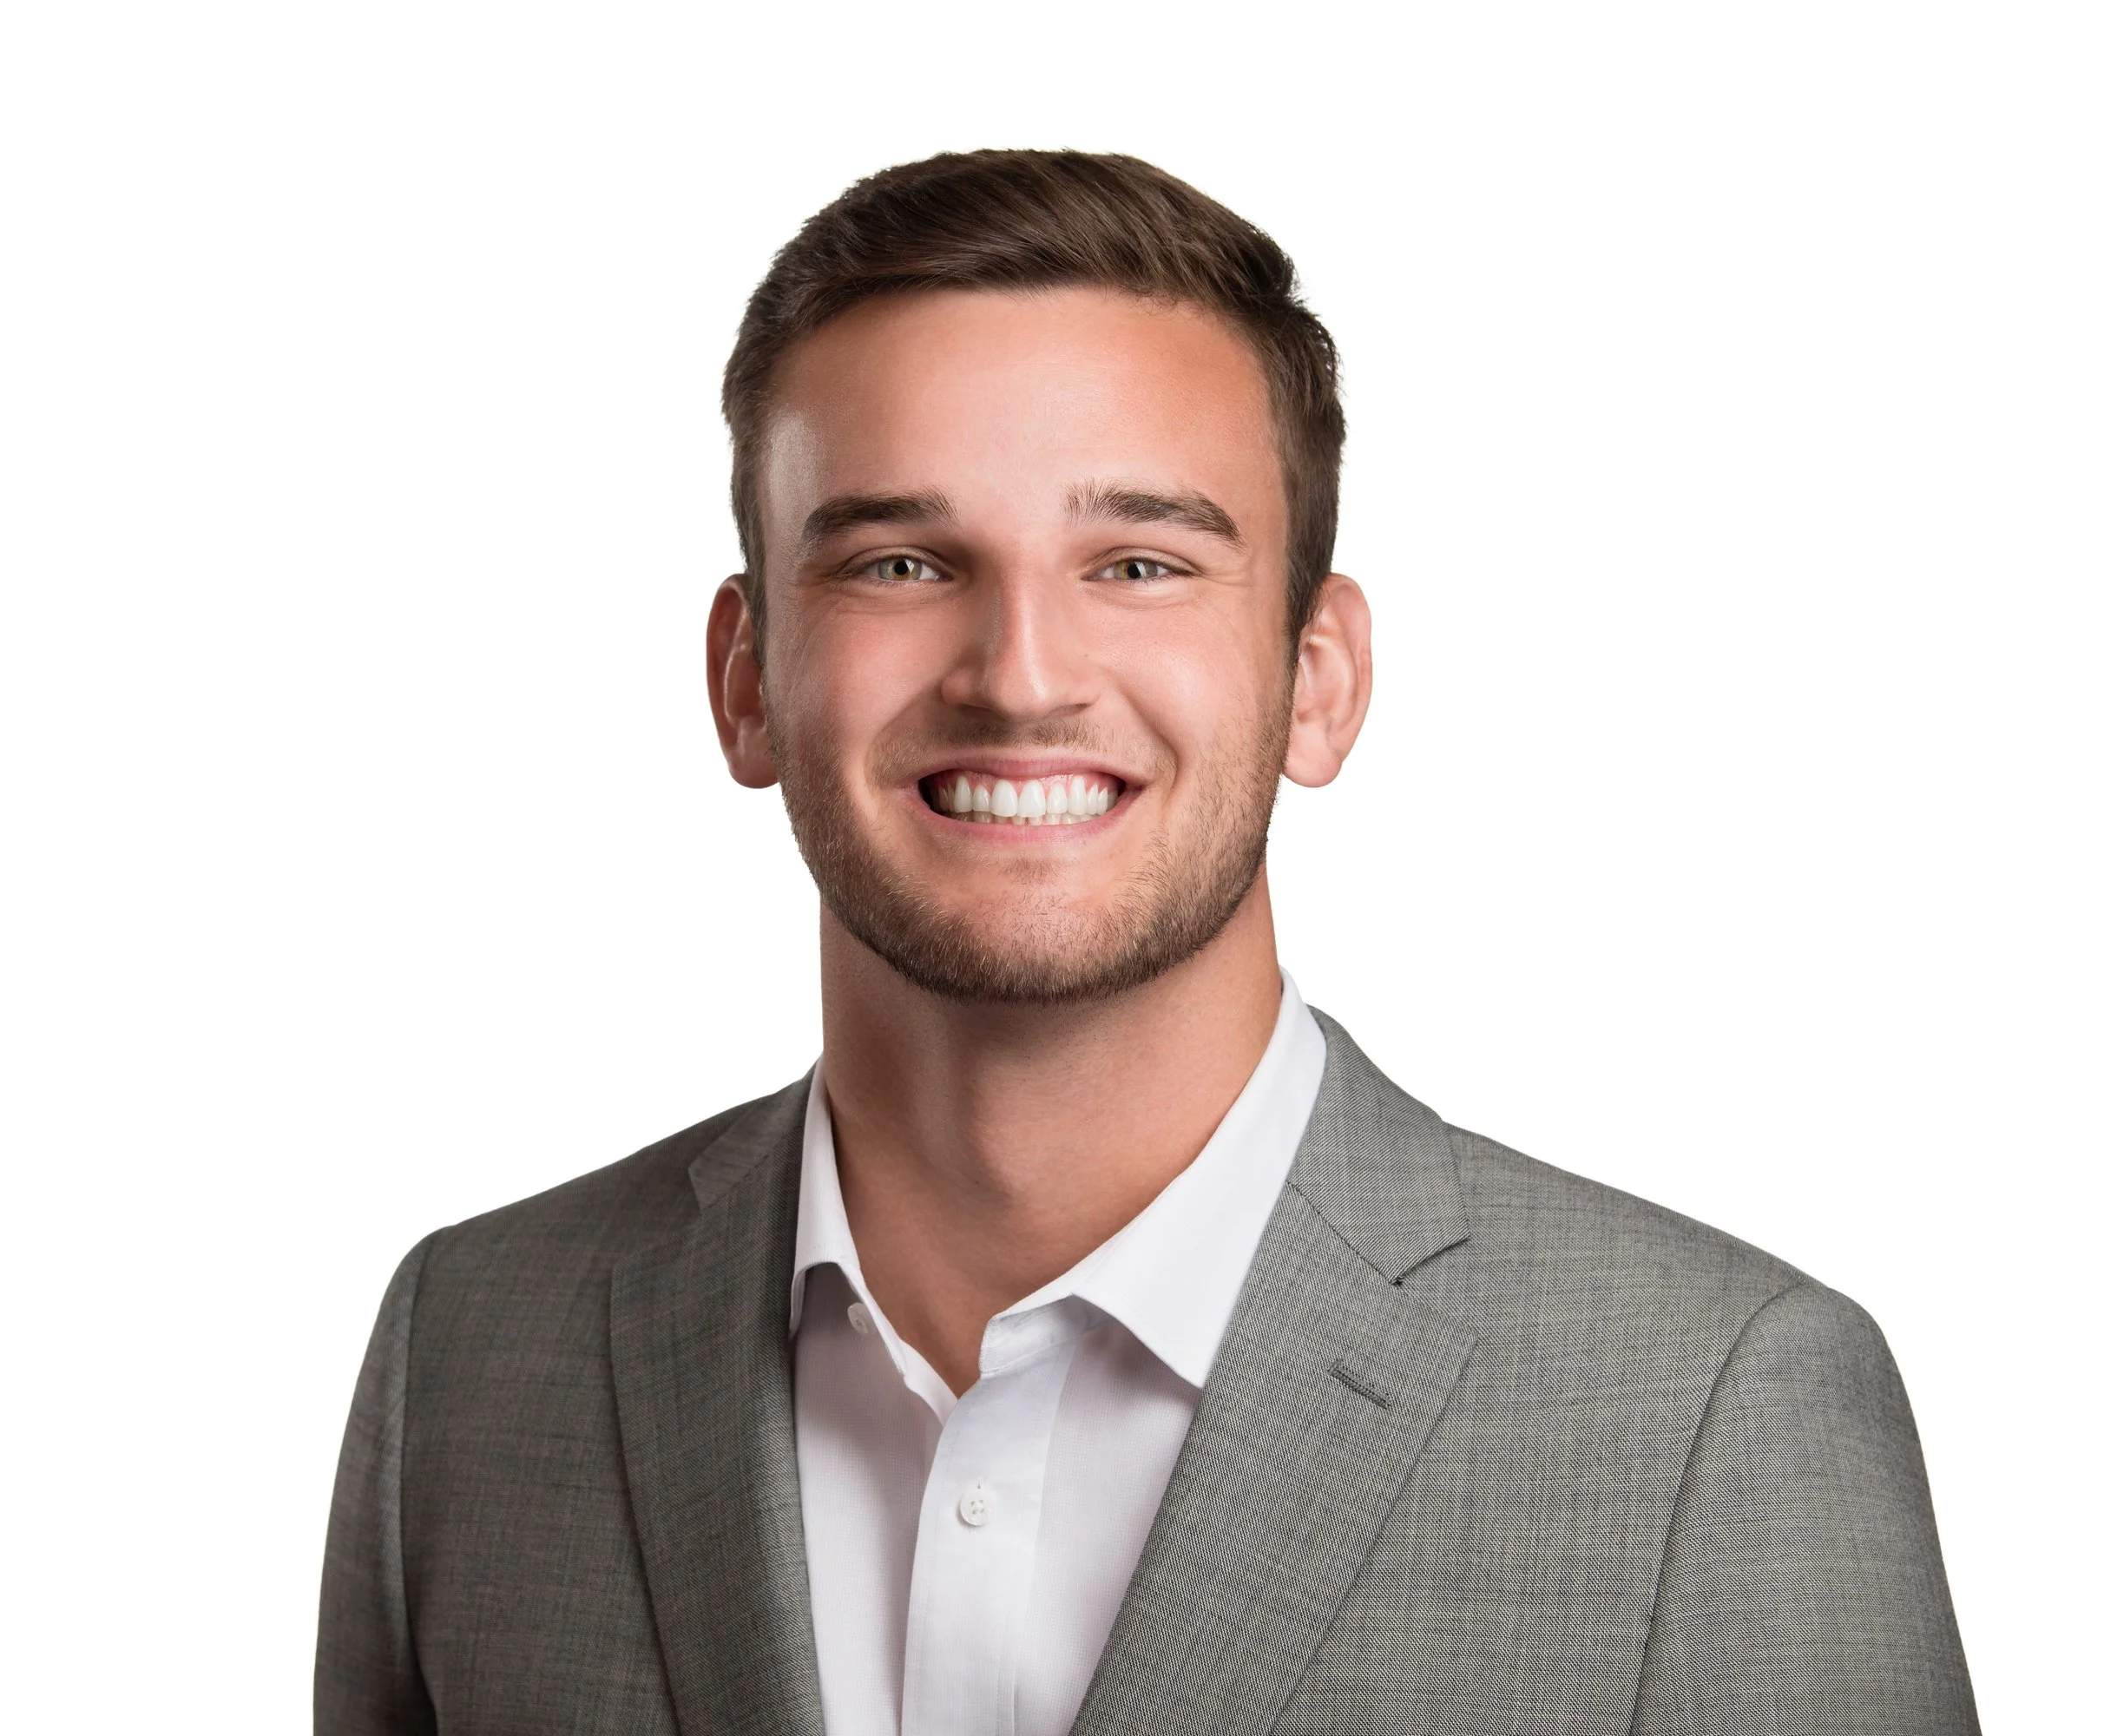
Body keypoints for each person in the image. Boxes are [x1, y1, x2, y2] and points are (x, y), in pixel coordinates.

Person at [316, 150, 1978, 1735]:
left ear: (1318, 679)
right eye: (901, 559)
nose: (1023, 672)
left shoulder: (1713, 1413)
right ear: (747, 680)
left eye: (1139, 562)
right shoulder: (477, 1347)